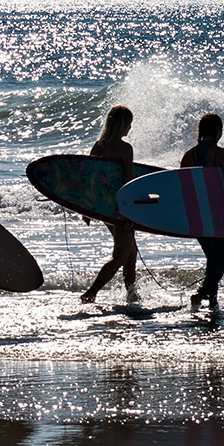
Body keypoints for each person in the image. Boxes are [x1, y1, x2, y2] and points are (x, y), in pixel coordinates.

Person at [180, 112, 224, 312]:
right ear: (218, 131)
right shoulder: (221, 155)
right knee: (220, 262)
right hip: (219, 216)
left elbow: (184, 191)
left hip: (197, 217)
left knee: (213, 260)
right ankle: (201, 294)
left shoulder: (187, 156)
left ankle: (213, 303)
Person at [80, 105, 140, 305]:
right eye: (129, 124)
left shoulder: (99, 146)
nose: (130, 129)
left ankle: (132, 294)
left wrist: (86, 209)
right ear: (123, 125)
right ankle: (91, 293)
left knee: (131, 252)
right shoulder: (125, 148)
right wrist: (129, 214)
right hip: (120, 207)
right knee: (120, 256)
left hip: (104, 207)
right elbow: (129, 183)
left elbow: (89, 178)